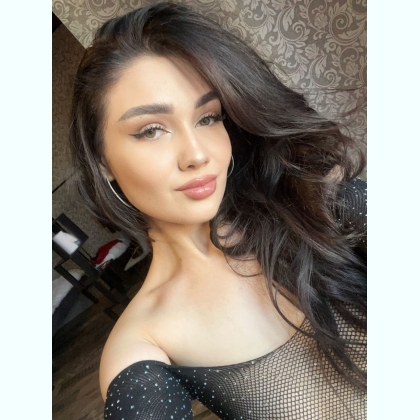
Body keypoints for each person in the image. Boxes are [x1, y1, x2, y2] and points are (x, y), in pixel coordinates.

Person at [69, 2, 366, 419]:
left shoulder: (318, 206)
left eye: (208, 118)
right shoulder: (143, 345)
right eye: (151, 130)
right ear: (102, 160)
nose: (196, 154)